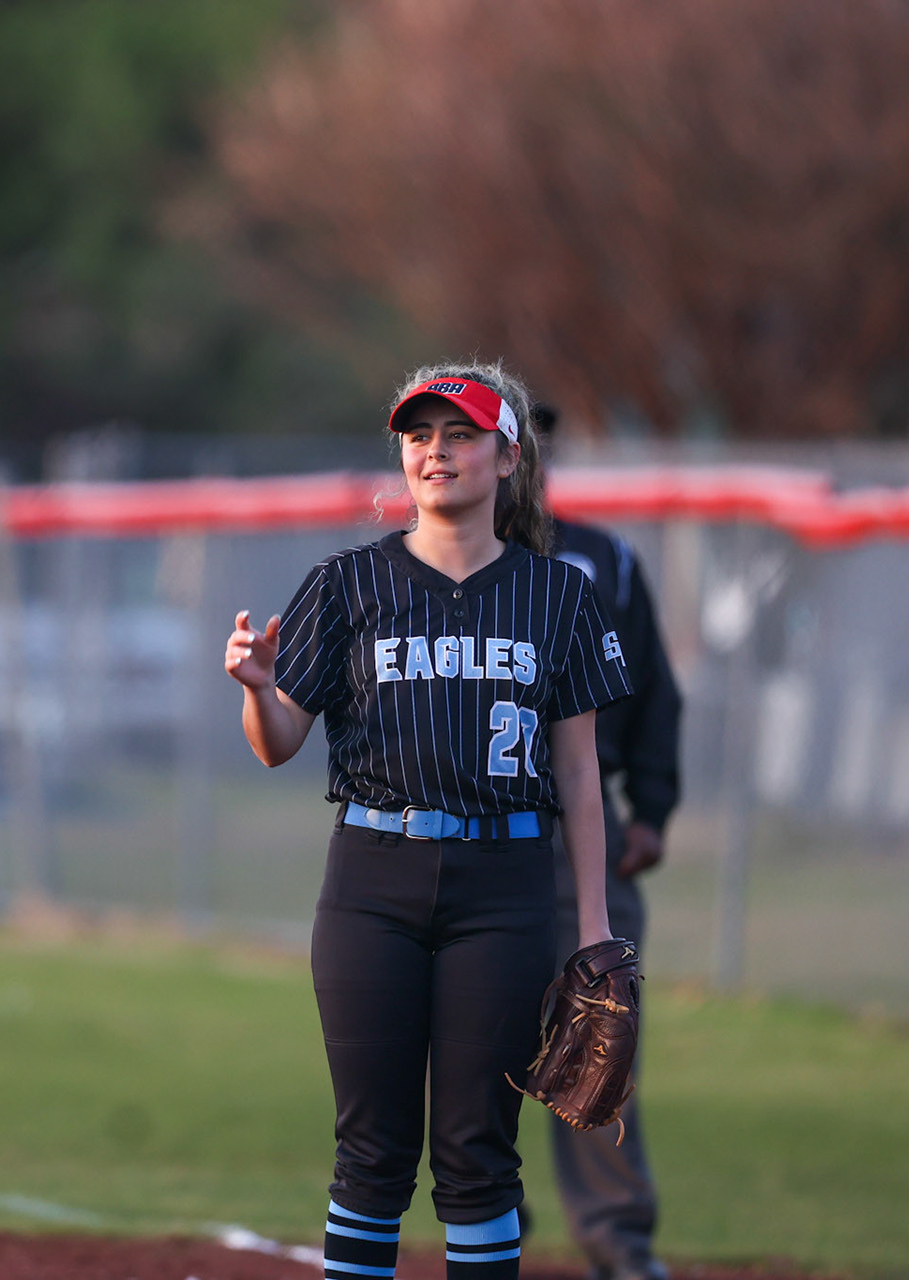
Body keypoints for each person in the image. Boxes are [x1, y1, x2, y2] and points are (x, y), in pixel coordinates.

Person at [224, 362, 633, 1280]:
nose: (436, 452)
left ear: (507, 456)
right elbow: (277, 741)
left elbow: (578, 770)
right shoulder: (345, 584)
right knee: (371, 1154)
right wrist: (258, 691)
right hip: (372, 879)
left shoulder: (558, 595)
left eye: (461, 435)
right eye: (419, 435)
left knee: (478, 1159)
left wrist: (596, 927)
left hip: (506, 890)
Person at [530, 403, 684, 1280]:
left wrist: (652, 811)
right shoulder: (439, 565)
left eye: (525, 444)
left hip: (584, 832)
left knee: (598, 1043)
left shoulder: (604, 561)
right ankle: (486, 1237)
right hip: (475, 838)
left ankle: (619, 1246)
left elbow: (656, 696)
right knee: (475, 1047)